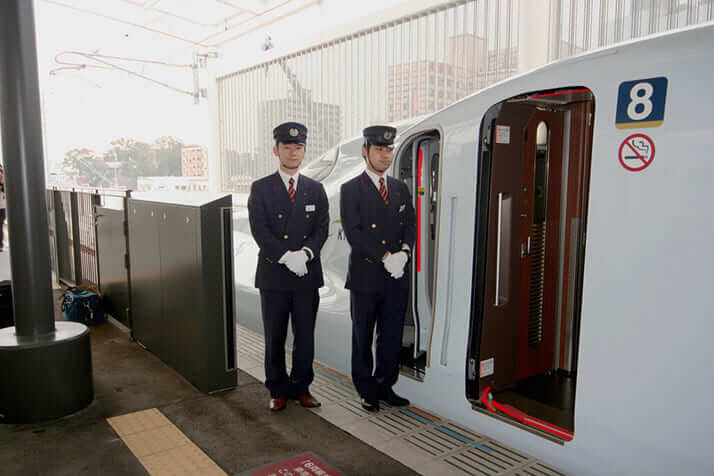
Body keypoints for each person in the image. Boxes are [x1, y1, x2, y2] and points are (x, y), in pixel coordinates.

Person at [247, 122, 329, 412]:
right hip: (274, 275)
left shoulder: (316, 189)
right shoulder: (260, 188)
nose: (293, 152)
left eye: (298, 147)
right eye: (287, 147)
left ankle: (302, 387)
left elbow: (321, 230)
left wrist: (304, 254)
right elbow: (260, 230)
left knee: (305, 336)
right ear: (275, 150)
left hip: (306, 275)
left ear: (304, 150)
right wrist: (286, 256)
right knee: (275, 336)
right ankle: (278, 389)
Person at [339, 125, 416, 412]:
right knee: (363, 336)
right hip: (367, 276)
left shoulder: (399, 188)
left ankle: (385, 385)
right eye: (379, 150)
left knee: (391, 334)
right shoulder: (351, 190)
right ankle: (366, 389)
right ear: (365, 151)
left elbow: (410, 222)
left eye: (388, 150)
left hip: (396, 276)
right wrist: (386, 256)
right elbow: (354, 232)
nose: (385, 155)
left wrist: (405, 253)